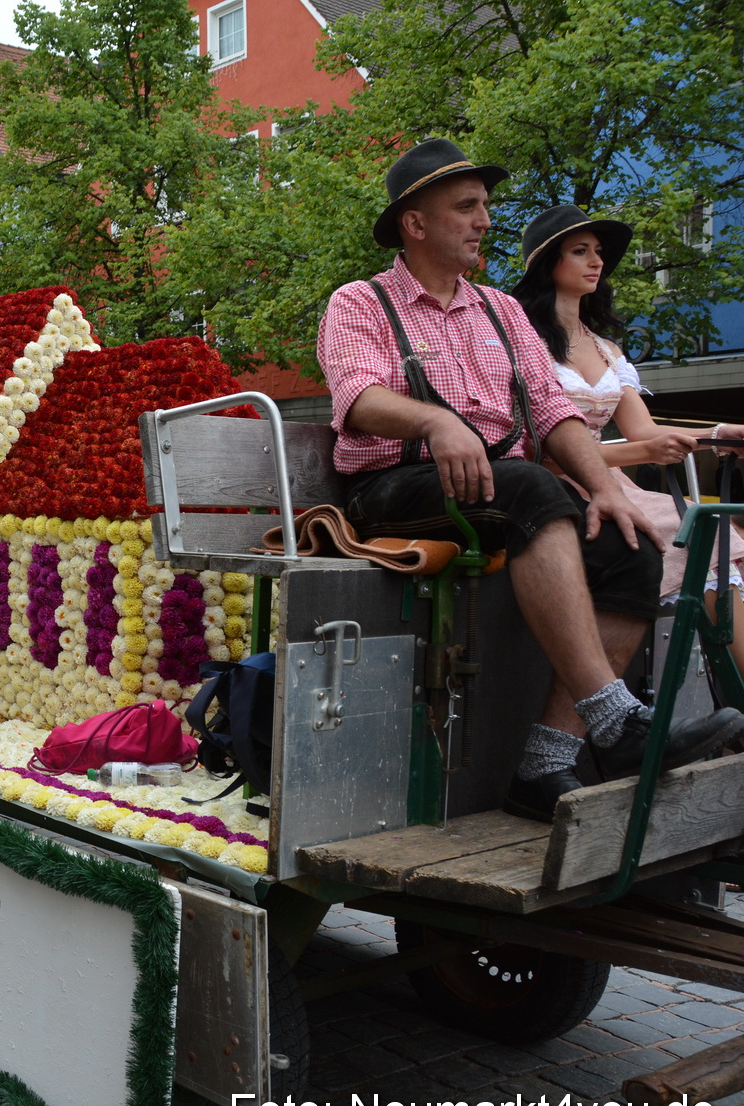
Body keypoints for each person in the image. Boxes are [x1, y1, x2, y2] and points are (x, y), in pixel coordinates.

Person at [317, 138, 744, 823]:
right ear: (415, 223)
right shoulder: (360, 304)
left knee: (632, 543)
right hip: (398, 489)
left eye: (486, 205)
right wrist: (437, 423)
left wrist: (604, 485)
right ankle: (617, 719)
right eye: (466, 207)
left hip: (499, 489)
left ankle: (543, 762)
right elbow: (356, 397)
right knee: (530, 487)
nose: (485, 219)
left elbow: (552, 412)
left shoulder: (503, 311)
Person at [510, 205, 744, 675]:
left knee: (723, 538)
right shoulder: (523, 342)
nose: (596, 261)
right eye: (580, 251)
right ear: (547, 263)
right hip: (554, 488)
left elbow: (647, 433)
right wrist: (642, 453)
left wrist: (719, 434)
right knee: (700, 533)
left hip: (618, 484)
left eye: (598, 252)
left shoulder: (607, 350)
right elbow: (542, 450)